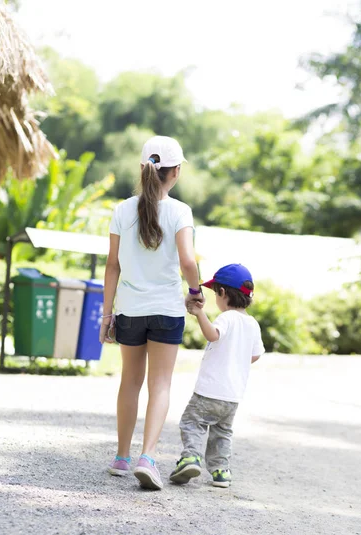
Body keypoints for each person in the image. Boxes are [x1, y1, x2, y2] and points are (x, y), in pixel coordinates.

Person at [100, 135, 204, 491]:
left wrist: (106, 316)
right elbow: (189, 261)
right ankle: (147, 457)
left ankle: (121, 457)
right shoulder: (180, 211)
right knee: (160, 384)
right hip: (166, 311)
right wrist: (195, 293)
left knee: (130, 381)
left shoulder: (121, 210)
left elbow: (112, 266)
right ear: (174, 172)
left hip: (129, 310)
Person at [169, 264, 265, 488]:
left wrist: (199, 313)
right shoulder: (252, 324)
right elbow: (255, 355)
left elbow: (213, 335)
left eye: (215, 293)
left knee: (192, 422)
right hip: (232, 396)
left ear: (223, 293)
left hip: (209, 390)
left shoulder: (227, 318)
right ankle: (221, 471)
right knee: (222, 432)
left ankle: (191, 457)